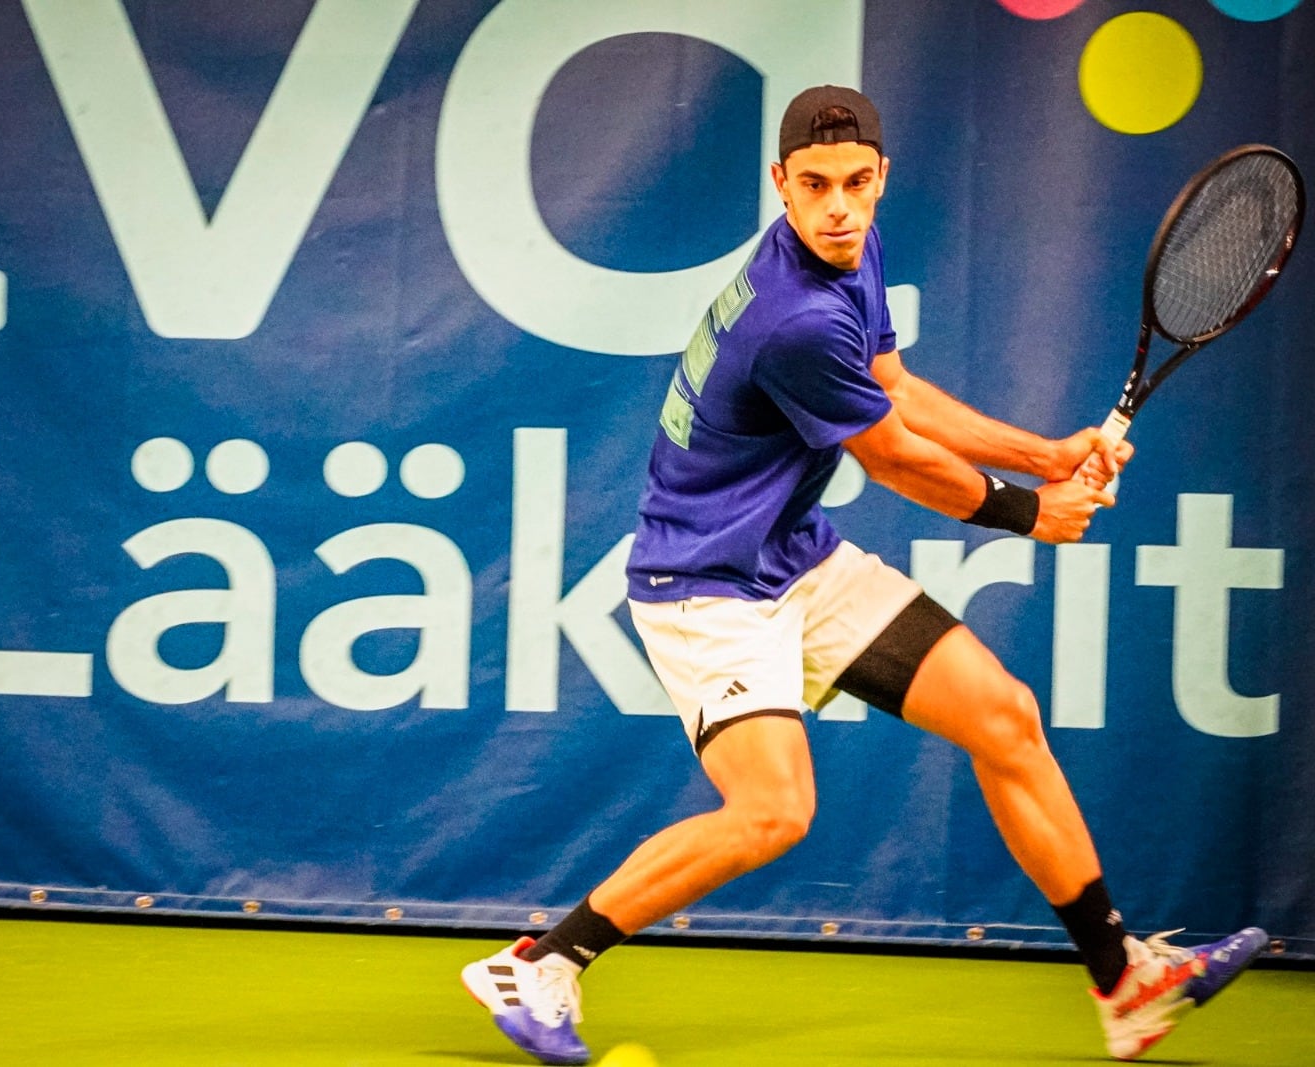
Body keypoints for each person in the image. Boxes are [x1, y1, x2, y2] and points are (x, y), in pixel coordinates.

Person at [461, 85, 1267, 1064]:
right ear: (781, 183)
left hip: (792, 552)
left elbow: (897, 390)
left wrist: (1048, 454)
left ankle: (1123, 978)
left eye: (854, 183)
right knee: (773, 810)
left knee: (1002, 715)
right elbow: (891, 458)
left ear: (881, 176)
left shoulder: (851, 250)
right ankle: (541, 961)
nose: (838, 206)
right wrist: (1028, 511)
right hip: (705, 580)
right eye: (814, 186)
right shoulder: (792, 317)